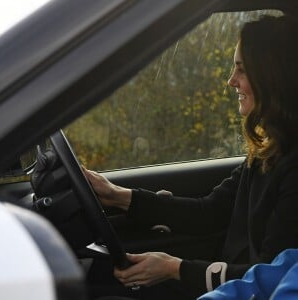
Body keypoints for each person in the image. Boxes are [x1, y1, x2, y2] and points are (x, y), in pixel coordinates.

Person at [83, 15, 298, 300]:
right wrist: (117, 196)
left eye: (242, 70)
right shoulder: (267, 150)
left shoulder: (293, 168)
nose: (231, 81)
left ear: (272, 76)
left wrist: (175, 269)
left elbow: (268, 278)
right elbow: (208, 212)